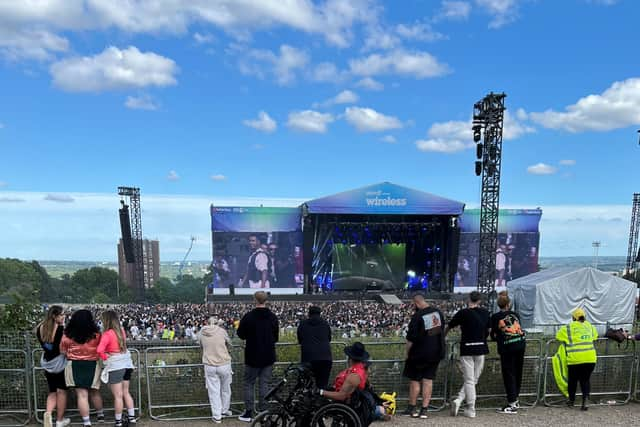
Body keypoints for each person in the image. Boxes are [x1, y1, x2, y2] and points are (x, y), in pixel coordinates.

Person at [445, 291, 490, 418]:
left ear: (468, 299)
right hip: (481, 347)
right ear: (480, 300)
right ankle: (467, 406)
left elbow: (449, 326)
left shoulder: (463, 313)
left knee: (470, 380)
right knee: (473, 379)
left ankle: (467, 405)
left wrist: (443, 337)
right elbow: (489, 330)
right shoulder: (485, 313)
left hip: (467, 348)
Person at [236, 291, 279, 422]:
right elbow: (276, 337)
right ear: (266, 300)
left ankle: (249, 413)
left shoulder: (248, 317)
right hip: (268, 355)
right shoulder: (272, 317)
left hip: (252, 355)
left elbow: (241, 334)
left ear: (254, 300)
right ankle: (264, 412)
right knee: (264, 384)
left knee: (249, 383)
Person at [318, 342, 386, 424]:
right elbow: (368, 387)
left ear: (350, 357)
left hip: (347, 404)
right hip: (350, 399)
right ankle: (379, 410)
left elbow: (341, 396)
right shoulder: (362, 369)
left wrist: (321, 392)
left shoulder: (354, 375)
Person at [402, 293, 446, 419]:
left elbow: (411, 339)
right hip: (436, 352)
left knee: (415, 380)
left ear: (416, 303)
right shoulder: (438, 313)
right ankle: (424, 410)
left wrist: (407, 353)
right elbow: (440, 332)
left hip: (419, 353)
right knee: (428, 380)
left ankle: (412, 408)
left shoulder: (417, 316)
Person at [60, 310, 104, 427]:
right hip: (93, 365)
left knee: (82, 395)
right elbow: (101, 349)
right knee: (95, 391)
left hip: (75, 365)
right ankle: (100, 416)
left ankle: (86, 421)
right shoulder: (97, 335)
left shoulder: (67, 335)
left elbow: (62, 350)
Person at [97, 310, 136, 427]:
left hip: (116, 365)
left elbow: (99, 350)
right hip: (126, 363)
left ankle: (118, 422)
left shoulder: (107, 334)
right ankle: (132, 418)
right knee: (126, 393)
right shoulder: (121, 331)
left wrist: (105, 357)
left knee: (118, 396)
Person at [490, 291, 526, 414]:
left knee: (508, 374)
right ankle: (515, 399)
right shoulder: (515, 315)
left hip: (507, 348)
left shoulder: (496, 317)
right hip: (520, 344)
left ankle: (512, 403)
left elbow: (493, 333)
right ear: (509, 304)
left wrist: (497, 339)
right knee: (518, 372)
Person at [555, 307, 598, 411]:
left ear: (573, 318)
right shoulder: (590, 326)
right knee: (585, 380)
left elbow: (558, 336)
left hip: (575, 359)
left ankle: (571, 400)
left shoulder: (568, 328)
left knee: (573, 381)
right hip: (590, 359)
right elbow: (595, 337)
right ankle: (585, 400)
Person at [36, 306, 70, 427]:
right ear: (55, 316)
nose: (64, 316)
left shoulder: (40, 328)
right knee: (61, 391)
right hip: (59, 364)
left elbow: (47, 346)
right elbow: (61, 348)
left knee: (52, 392)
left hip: (47, 362)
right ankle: (60, 420)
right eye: (61, 315)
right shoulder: (60, 329)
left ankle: (48, 414)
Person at [198, 316, 233, 424]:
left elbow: (200, 345)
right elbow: (229, 343)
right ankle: (224, 410)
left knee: (214, 391)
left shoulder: (202, 332)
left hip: (209, 364)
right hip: (224, 363)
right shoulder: (222, 331)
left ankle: (217, 415)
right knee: (226, 388)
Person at [296, 306, 332, 388]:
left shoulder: (303, 324)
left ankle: (306, 399)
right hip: (325, 358)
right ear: (320, 314)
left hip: (308, 358)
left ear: (309, 314)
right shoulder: (325, 323)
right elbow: (329, 338)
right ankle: (321, 399)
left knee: (305, 385)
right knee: (322, 385)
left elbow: (300, 339)